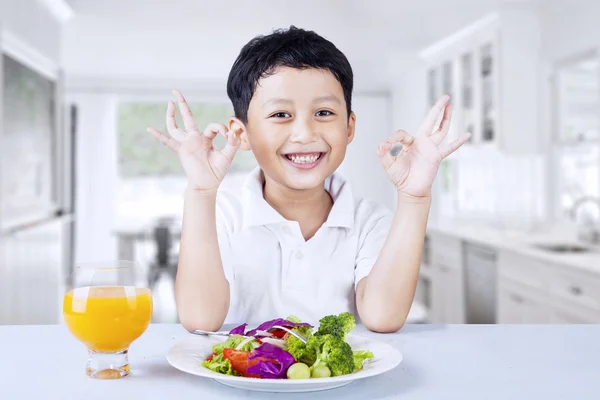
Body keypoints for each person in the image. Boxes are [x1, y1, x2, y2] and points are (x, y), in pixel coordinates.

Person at [147, 26, 470, 333]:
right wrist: (202, 191)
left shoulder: (370, 221)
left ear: (349, 127)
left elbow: (383, 317)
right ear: (240, 133)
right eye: (281, 115)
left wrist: (415, 199)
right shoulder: (223, 215)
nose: (305, 134)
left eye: (324, 113)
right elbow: (200, 319)